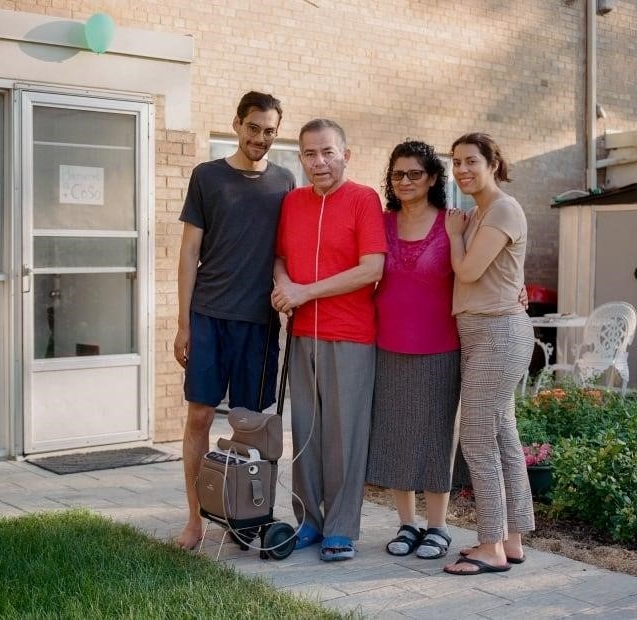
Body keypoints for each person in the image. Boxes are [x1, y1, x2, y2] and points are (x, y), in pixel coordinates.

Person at [173, 91, 296, 550]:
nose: (260, 138)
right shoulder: (208, 176)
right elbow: (189, 253)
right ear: (237, 124)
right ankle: (195, 519)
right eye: (253, 128)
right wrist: (183, 323)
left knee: (249, 424)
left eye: (269, 131)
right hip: (207, 316)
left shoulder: (285, 182)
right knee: (200, 417)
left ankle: (244, 514)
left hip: (258, 323)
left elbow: (290, 251)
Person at [271, 118, 386, 561]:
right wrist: (283, 285)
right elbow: (280, 257)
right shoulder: (293, 202)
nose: (319, 162)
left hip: (351, 336)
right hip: (302, 335)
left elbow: (371, 268)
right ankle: (309, 522)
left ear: (345, 155)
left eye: (327, 152)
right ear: (300, 157)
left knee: (345, 436)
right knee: (306, 433)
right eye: (309, 154)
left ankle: (341, 528)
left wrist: (304, 291)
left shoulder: (363, 200)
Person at [442, 132, 535, 575]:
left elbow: (470, 270)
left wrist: (454, 235)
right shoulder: (484, 211)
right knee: (501, 436)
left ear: (493, 162)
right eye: (456, 162)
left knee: (477, 438)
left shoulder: (500, 208)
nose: (461, 169)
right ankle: (511, 540)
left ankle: (490, 546)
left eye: (470, 161)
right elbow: (505, 270)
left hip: (498, 335)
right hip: (485, 332)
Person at [366, 140, 461, 560]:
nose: (405, 181)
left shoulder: (453, 224)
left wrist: (515, 291)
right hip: (386, 345)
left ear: (433, 178)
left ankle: (438, 526)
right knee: (395, 436)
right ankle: (406, 524)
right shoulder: (381, 223)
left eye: (414, 174)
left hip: (441, 346)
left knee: (437, 437)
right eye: (398, 174)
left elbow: (483, 268)